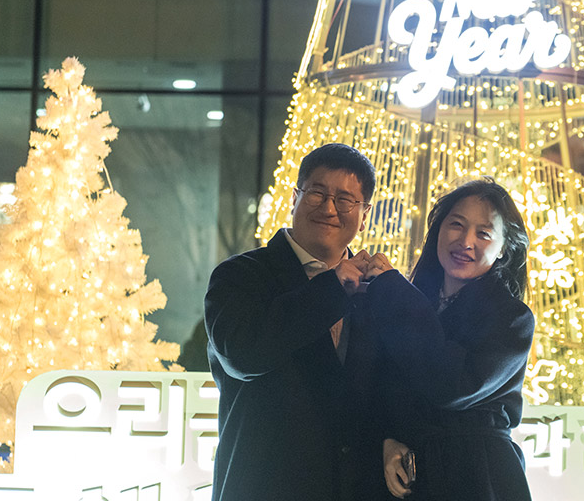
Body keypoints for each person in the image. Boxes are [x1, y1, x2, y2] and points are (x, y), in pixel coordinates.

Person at [204, 143, 384, 501]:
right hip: (264, 487)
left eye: (345, 200)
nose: (329, 208)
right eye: (317, 192)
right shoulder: (240, 275)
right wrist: (332, 287)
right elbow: (243, 354)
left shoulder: (376, 288)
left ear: (364, 215)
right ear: (294, 198)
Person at [361, 178, 536, 501]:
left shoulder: (512, 318)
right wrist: (387, 439)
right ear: (438, 231)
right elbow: (380, 387)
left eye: (483, 233)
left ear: (503, 249)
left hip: (477, 476)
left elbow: (450, 386)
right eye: (456, 224)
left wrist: (394, 289)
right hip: (409, 479)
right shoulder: (413, 302)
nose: (465, 241)